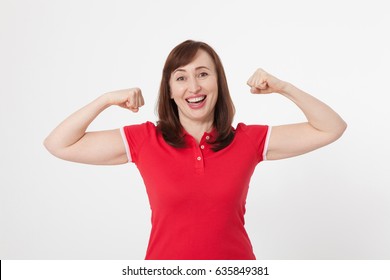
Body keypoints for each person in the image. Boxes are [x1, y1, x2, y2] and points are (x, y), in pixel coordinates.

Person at [43, 40, 347, 260]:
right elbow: (59, 143)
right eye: (181, 77)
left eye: (203, 73)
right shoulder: (145, 140)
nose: (194, 87)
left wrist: (283, 87)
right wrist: (106, 99)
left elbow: (331, 127)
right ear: (170, 91)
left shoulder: (246, 141)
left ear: (218, 82)